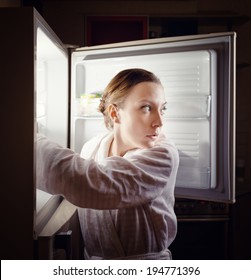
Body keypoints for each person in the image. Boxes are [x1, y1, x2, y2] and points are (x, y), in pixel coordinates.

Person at [36, 68, 179, 260]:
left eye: (162, 108)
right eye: (146, 108)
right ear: (115, 113)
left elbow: (95, 185)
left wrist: (30, 143)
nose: (159, 121)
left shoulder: (163, 155)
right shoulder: (92, 148)